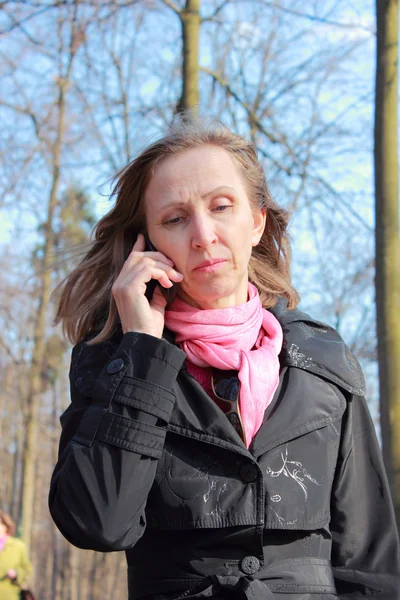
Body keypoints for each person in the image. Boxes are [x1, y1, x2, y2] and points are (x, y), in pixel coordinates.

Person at [49, 118, 400, 600]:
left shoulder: (324, 361)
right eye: (174, 219)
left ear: (255, 221)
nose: (203, 235)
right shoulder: (113, 360)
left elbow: (371, 565)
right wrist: (143, 355)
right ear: (147, 244)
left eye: (221, 206)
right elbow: (96, 523)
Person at [0, 510, 33, 600]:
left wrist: (16, 574)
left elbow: (28, 571)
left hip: (10, 595)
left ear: (5, 526)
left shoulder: (18, 546)